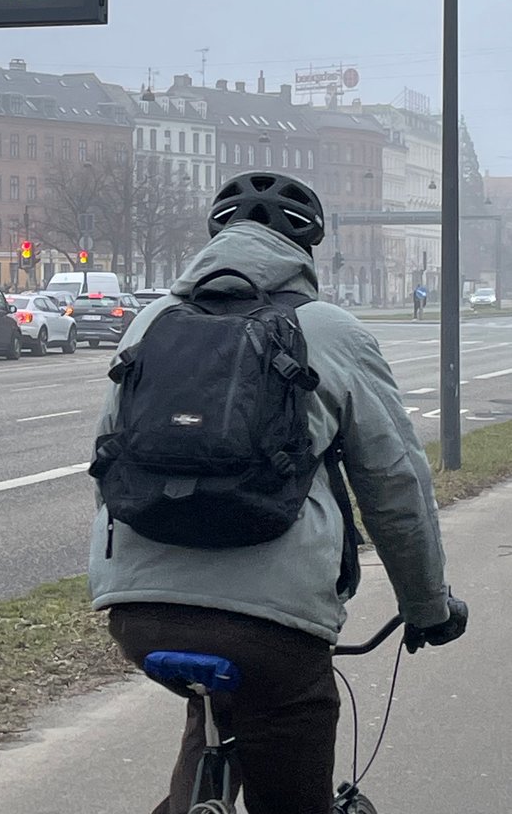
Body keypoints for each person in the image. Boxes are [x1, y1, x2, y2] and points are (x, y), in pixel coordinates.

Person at [89, 172, 467, 814]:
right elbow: (394, 483)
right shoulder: (332, 329)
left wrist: (126, 576)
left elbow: (106, 459)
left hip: (138, 611)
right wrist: (427, 605)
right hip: (273, 625)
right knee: (288, 726)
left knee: (213, 708)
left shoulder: (149, 321)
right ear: (306, 250)